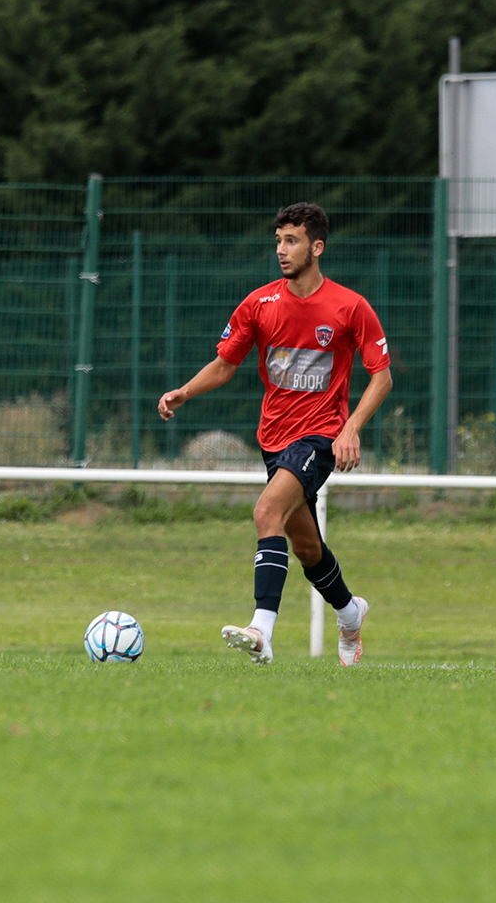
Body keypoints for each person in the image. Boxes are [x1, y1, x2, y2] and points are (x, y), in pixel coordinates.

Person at [158, 202, 392, 666]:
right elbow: (226, 364)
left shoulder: (350, 307)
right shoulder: (259, 303)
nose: (281, 251)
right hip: (274, 440)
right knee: (306, 547)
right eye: (278, 241)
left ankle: (261, 632)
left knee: (266, 511)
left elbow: (381, 375)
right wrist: (185, 391)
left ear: (317, 247)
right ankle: (350, 613)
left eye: (292, 241)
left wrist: (350, 429)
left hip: (320, 437)